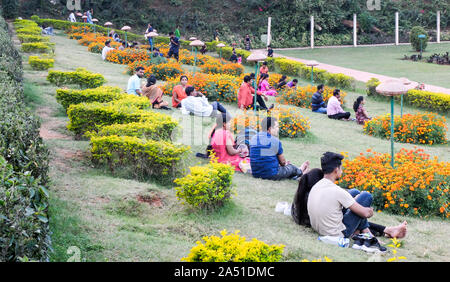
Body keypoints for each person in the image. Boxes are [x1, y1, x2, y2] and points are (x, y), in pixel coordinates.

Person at [307, 152, 408, 252]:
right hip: (338, 234)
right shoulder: (337, 191)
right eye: (341, 168)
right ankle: (369, 235)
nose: (342, 171)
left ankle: (368, 232)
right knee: (366, 196)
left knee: (354, 192)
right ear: (336, 170)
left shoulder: (317, 186)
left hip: (320, 229)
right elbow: (365, 213)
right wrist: (370, 211)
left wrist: (354, 202)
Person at [249, 117, 310, 181]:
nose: (278, 129)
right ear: (270, 129)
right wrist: (285, 164)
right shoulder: (275, 141)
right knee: (291, 168)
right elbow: (282, 162)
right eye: (276, 127)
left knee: (285, 170)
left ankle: (296, 175)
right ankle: (300, 171)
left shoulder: (254, 138)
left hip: (256, 173)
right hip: (271, 174)